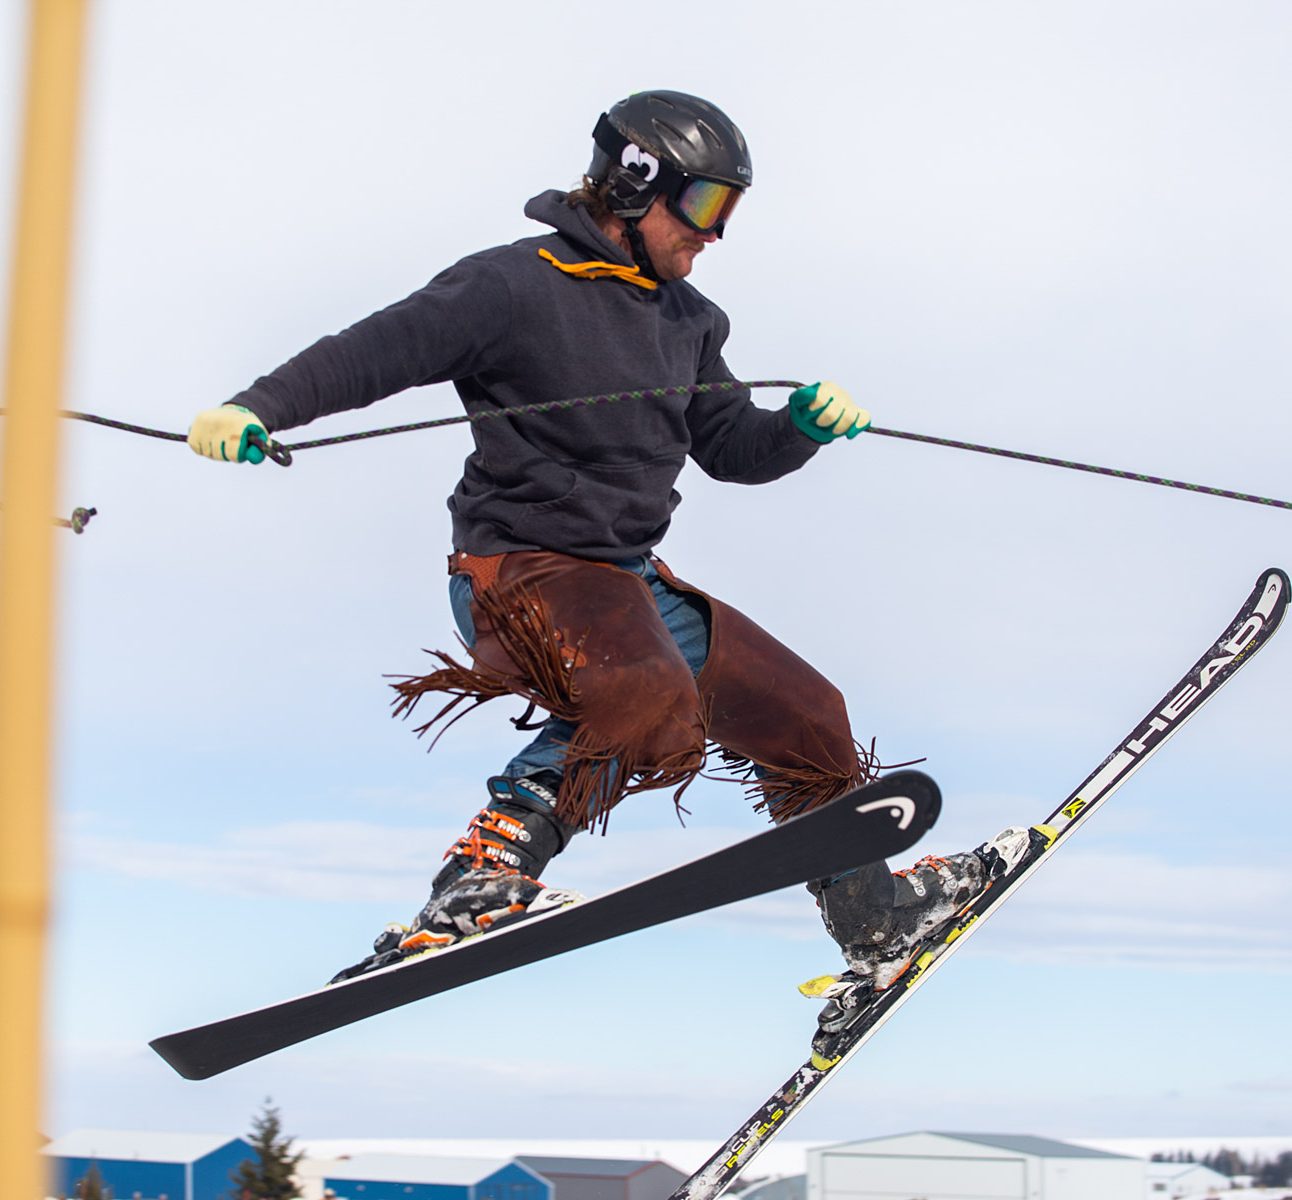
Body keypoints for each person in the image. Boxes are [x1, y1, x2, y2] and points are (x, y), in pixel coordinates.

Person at [188, 89, 1033, 991]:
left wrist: (802, 427)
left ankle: (874, 920)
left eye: (729, 212)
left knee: (808, 712)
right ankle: (477, 882)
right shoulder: (511, 285)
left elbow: (734, 452)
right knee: (644, 694)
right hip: (521, 570)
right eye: (704, 205)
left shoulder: (691, 322)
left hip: (629, 588)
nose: (714, 234)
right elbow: (373, 350)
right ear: (633, 184)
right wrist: (256, 407)